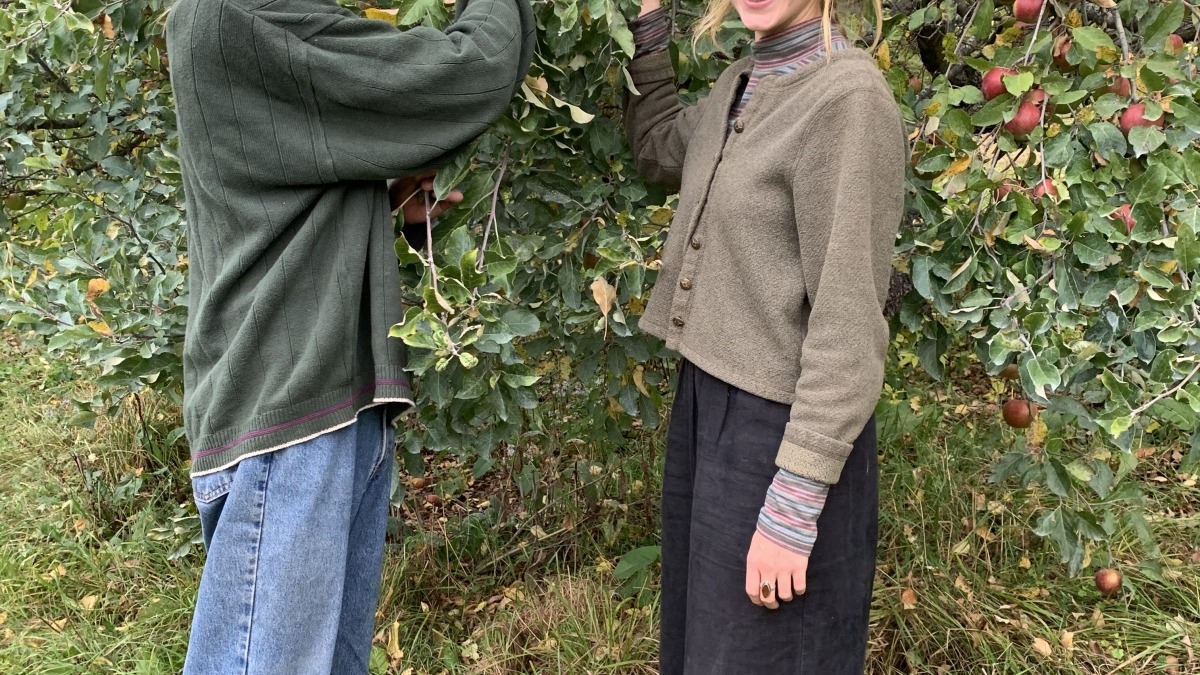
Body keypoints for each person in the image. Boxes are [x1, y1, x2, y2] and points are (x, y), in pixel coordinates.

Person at [164, 0, 534, 671]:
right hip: (292, 413)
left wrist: (382, 193)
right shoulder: (244, 14)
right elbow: (463, 75)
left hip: (321, 403)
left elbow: (282, 184)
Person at [623, 0, 905, 672]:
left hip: (783, 430)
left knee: (763, 654)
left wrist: (794, 505)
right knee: (704, 647)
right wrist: (650, 24)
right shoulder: (741, 82)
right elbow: (660, 148)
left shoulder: (848, 99)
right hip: (708, 410)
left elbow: (849, 323)